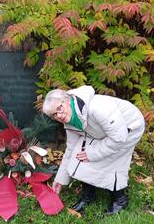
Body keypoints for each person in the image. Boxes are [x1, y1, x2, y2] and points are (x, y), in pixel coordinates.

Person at [42, 85, 145, 215]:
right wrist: (60, 180)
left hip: (129, 127)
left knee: (112, 160)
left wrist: (92, 154)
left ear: (67, 100)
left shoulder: (98, 108)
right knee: (78, 155)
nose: (59, 115)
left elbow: (119, 138)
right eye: (54, 115)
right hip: (103, 132)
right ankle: (88, 196)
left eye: (59, 108)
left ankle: (120, 200)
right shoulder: (69, 120)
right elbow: (71, 149)